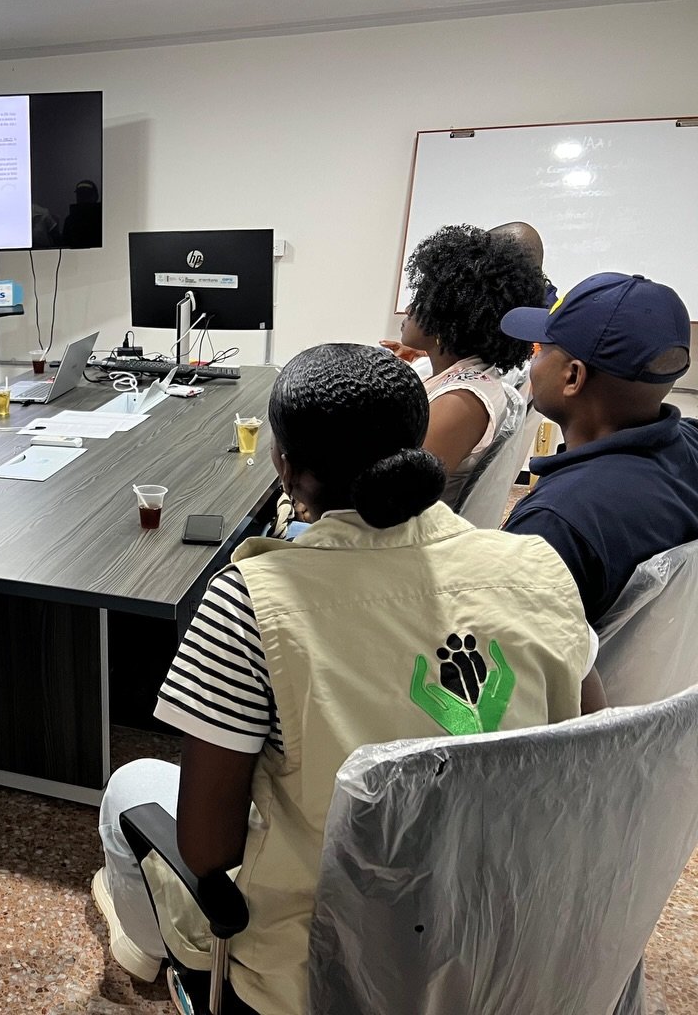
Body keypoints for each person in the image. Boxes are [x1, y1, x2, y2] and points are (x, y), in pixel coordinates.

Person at [93, 343, 602, 1015]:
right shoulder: (538, 568)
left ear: (284, 465)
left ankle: (146, 949)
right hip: (502, 946)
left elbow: (207, 851)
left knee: (130, 786)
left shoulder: (250, 600)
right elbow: (593, 751)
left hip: (316, 974)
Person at [502, 272, 698, 623]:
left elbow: (491, 649)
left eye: (541, 349)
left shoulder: (553, 525)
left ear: (573, 377)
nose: (533, 361)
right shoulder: (692, 442)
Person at [397, 223, 546, 506]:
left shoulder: (460, 401)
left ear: (447, 312)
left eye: (421, 297)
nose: (408, 309)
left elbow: (395, 499)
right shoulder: (464, 379)